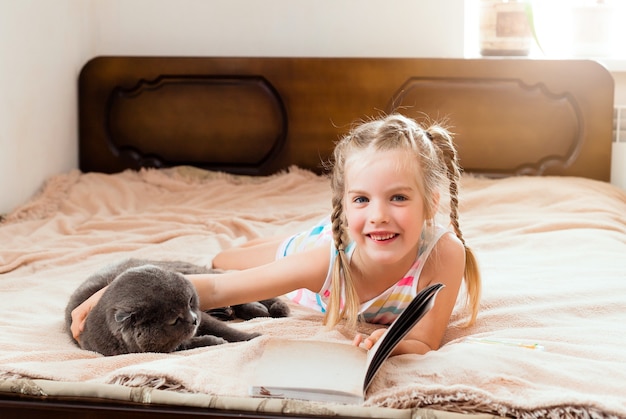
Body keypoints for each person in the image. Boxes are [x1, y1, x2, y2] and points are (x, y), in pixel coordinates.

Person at [71, 113, 481, 355]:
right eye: (361, 200)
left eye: (398, 198)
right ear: (344, 203)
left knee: (264, 257)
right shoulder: (324, 261)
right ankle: (285, 238)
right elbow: (219, 290)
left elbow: (425, 340)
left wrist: (390, 343)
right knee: (226, 260)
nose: (379, 216)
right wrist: (113, 294)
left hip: (321, 251)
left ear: (430, 200)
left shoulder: (446, 254)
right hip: (310, 251)